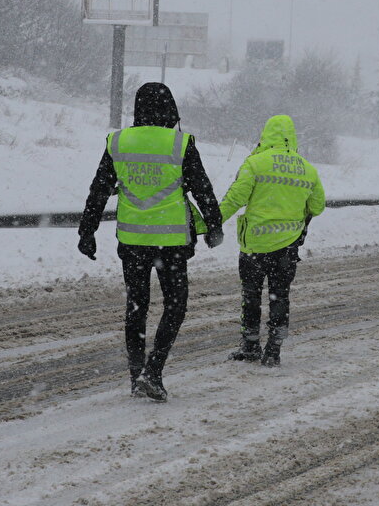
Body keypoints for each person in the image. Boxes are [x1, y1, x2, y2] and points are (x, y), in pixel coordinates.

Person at [77, 82, 224, 402]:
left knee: (136, 307)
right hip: (170, 243)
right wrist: (214, 225)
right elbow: (203, 189)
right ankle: (153, 371)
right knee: (176, 305)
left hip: (132, 241)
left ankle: (135, 376)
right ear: (170, 109)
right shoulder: (180, 143)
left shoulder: (119, 142)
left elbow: (99, 189)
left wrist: (86, 232)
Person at [219, 114, 325, 367]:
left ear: (266, 135)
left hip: (254, 246)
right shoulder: (307, 169)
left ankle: (250, 345)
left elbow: (235, 199)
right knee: (280, 296)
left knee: (251, 296)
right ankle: (274, 350)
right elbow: (318, 206)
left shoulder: (255, 163)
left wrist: (209, 224)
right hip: (287, 248)